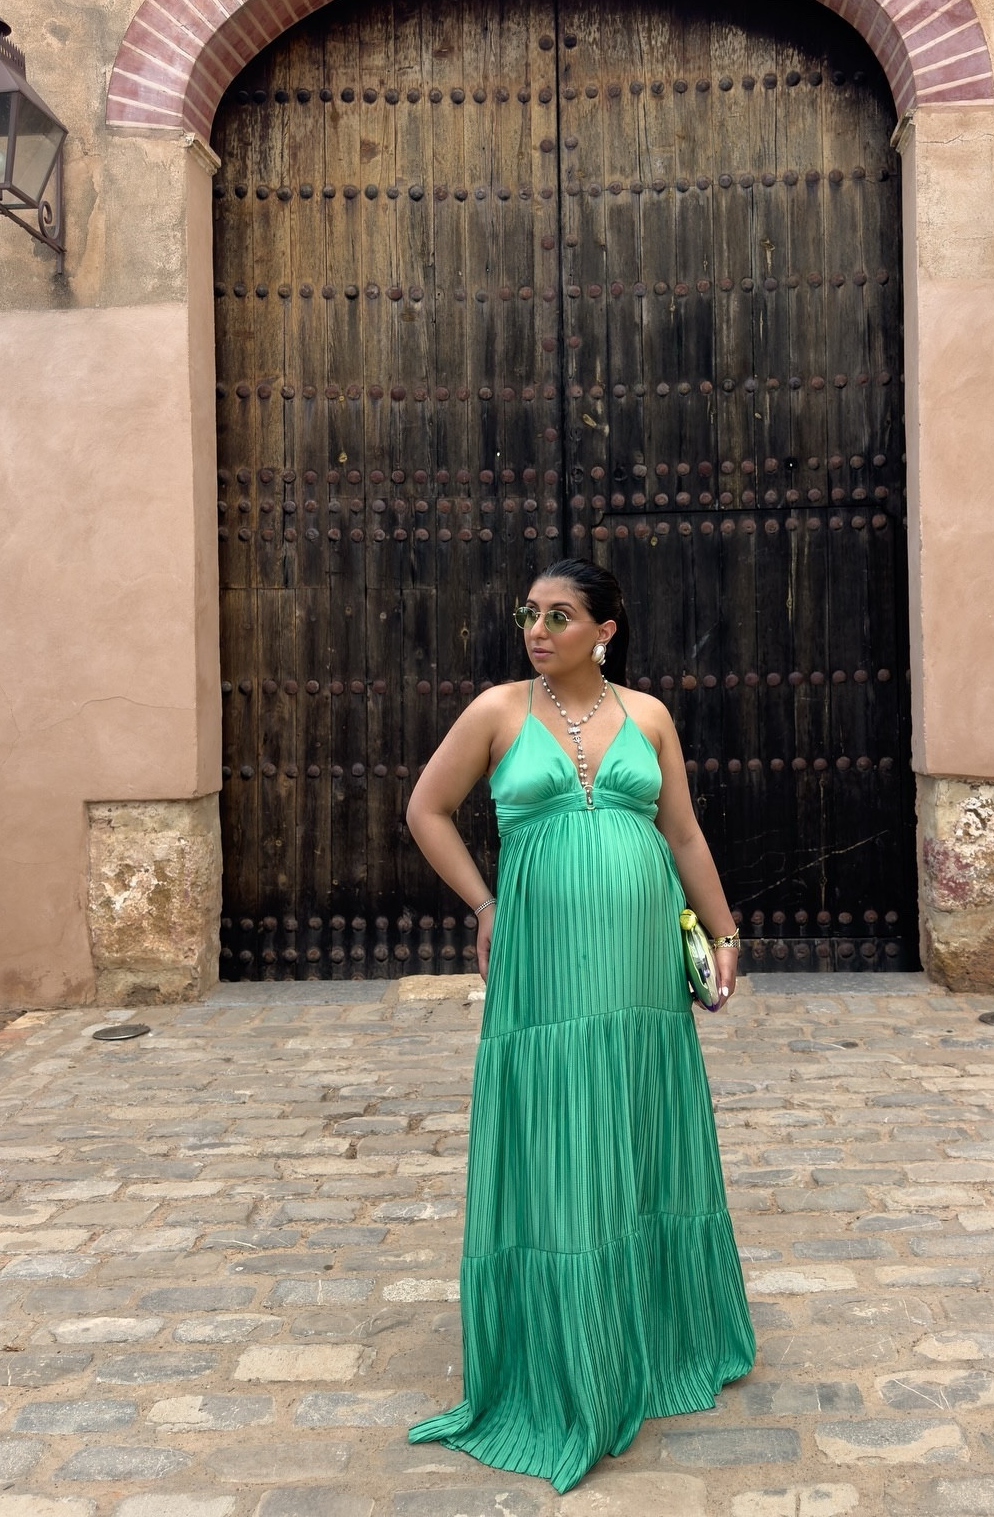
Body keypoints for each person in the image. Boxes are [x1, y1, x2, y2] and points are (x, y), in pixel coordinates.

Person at [404, 559, 756, 1492]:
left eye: (559, 615)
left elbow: (682, 834)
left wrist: (723, 932)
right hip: (546, 975)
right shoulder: (495, 712)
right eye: (529, 613)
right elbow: (426, 811)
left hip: (640, 974)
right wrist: (485, 907)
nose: (537, 629)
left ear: (606, 629)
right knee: (562, 1139)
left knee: (636, 1130)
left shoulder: (649, 717)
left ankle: (654, 1333)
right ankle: (567, 1359)